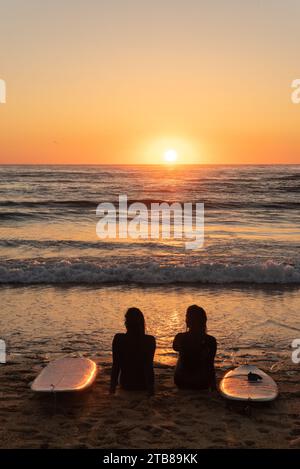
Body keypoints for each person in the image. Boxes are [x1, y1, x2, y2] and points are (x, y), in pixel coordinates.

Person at [110, 307, 156, 395]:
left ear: (126, 323)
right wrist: (151, 391)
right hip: (143, 385)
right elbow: (149, 367)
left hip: (126, 384)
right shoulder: (149, 340)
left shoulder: (119, 339)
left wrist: (112, 389)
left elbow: (116, 365)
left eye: (126, 320)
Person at [173, 305, 217, 390]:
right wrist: (213, 386)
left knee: (182, 356)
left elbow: (175, 348)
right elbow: (210, 365)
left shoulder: (180, 337)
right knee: (206, 361)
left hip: (181, 381)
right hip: (202, 382)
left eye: (186, 317)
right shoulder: (211, 340)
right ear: (204, 322)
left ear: (188, 321)